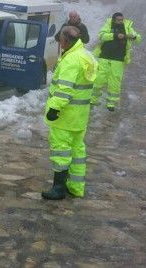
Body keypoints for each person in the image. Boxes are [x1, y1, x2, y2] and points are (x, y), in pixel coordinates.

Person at [42, 26, 97, 200]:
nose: (60, 44)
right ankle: (75, 186)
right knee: (77, 151)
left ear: (66, 40)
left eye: (60, 40)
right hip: (80, 116)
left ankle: (58, 188)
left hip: (64, 116)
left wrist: (54, 109)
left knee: (61, 151)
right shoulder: (86, 55)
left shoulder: (71, 60)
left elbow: (65, 89)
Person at [91, 12, 142, 111]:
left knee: (115, 82)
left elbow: (139, 39)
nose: (120, 21)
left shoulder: (127, 27)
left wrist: (134, 37)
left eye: (121, 19)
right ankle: (93, 99)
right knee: (98, 79)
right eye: (118, 20)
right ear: (114, 19)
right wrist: (115, 35)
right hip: (105, 56)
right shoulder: (108, 25)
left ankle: (111, 103)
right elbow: (101, 35)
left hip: (119, 59)